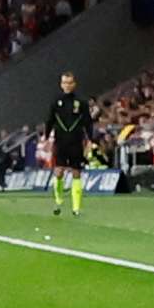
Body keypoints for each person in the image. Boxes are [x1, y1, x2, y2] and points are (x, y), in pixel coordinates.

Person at [43, 73, 97, 218]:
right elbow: (49, 120)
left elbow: (88, 122)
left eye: (70, 83)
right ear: (61, 84)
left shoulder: (81, 102)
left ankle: (76, 207)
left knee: (76, 173)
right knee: (59, 172)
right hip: (60, 141)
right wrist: (46, 137)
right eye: (64, 83)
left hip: (76, 141)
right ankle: (58, 201)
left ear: (74, 84)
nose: (67, 85)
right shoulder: (56, 101)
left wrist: (90, 140)